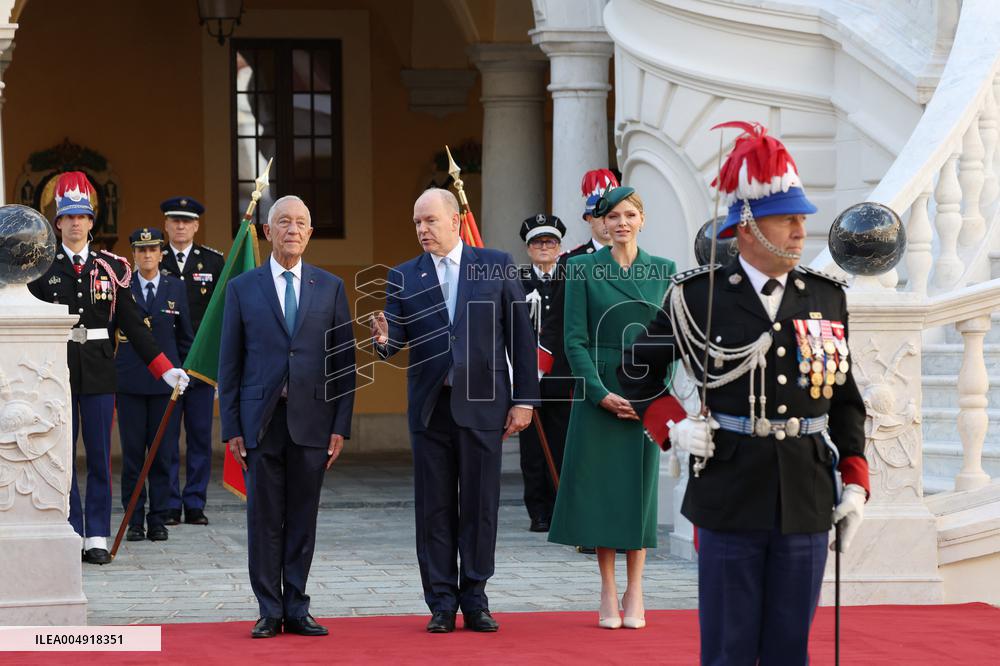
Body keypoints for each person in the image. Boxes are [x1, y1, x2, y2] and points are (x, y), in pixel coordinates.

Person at [617, 121, 869, 664]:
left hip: (805, 491)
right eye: (788, 220)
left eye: (803, 219)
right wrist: (674, 426)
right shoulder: (697, 297)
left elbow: (846, 400)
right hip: (729, 489)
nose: (802, 231)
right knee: (730, 646)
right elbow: (634, 369)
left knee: (789, 648)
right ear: (748, 225)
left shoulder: (825, 298)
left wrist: (855, 485)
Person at [370, 188, 539, 634]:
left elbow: (520, 338)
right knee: (435, 508)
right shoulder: (404, 276)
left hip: (484, 405)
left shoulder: (495, 264)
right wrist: (383, 339)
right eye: (417, 222)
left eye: (429, 220)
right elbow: (393, 341)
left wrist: (525, 399)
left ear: (456, 219)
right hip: (431, 410)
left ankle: (476, 597)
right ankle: (441, 600)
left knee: (481, 505)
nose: (423, 230)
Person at [27, 171, 189, 565]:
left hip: (100, 374)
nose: (76, 223)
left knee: (99, 457)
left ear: (91, 222)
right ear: (58, 222)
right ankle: (71, 530)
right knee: (61, 459)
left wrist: (165, 369)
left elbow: (134, 325)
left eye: (83, 216)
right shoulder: (42, 270)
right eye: (69, 217)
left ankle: (96, 535)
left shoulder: (111, 268)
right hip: (56, 375)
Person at [219, 195, 356, 639]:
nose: (292, 230)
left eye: (301, 223)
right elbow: (230, 363)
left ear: (310, 234)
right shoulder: (243, 287)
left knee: (302, 517)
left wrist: (340, 425)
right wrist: (232, 426)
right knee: (264, 518)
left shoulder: (330, 287)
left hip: (313, 421)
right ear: (267, 231)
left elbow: (344, 363)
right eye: (283, 222)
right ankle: (268, 609)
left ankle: (296, 605)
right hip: (260, 422)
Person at [547, 186, 676, 630]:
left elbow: (671, 343)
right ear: (602, 223)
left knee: (638, 494)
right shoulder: (581, 268)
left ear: (642, 219)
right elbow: (573, 339)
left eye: (630, 215)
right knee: (603, 493)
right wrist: (599, 393)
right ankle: (606, 585)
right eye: (613, 216)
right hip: (598, 392)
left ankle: (636, 587)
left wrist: (656, 396)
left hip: (644, 391)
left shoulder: (665, 270)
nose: (621, 223)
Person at [116, 228, 194, 543]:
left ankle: (159, 518)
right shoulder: (124, 287)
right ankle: (134, 519)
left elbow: (185, 337)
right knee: (134, 456)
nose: (147, 255)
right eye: (141, 250)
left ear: (161, 254)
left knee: (163, 455)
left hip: (166, 387)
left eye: (152, 250)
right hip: (131, 382)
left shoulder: (176, 287)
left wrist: (187, 373)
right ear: (133, 254)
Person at [160, 196, 225, 526]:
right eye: (175, 220)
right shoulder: (155, 259)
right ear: (167, 225)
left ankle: (195, 502)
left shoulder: (213, 263)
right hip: (168, 366)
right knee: (168, 438)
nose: (181, 226)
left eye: (187, 221)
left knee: (200, 436)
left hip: (200, 366)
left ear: (197, 225)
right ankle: (171, 503)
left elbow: (223, 316)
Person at [517, 214, 571, 533]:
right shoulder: (517, 280)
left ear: (559, 247)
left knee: (563, 442)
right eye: (537, 242)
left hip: (563, 375)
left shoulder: (571, 278)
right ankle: (539, 511)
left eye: (550, 242)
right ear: (528, 248)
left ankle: (563, 507)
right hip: (528, 374)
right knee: (532, 447)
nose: (544, 247)